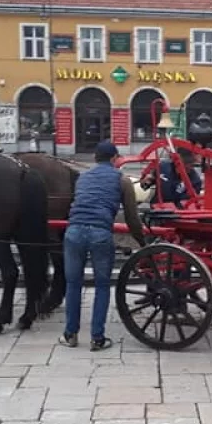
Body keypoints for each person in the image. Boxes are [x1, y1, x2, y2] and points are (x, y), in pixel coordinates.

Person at [61, 140, 146, 351]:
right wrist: (142, 242)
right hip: (100, 233)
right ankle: (97, 338)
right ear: (114, 159)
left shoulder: (82, 178)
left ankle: (70, 334)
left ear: (95, 159)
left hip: (74, 232)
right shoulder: (122, 180)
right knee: (101, 285)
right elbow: (131, 217)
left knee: (73, 284)